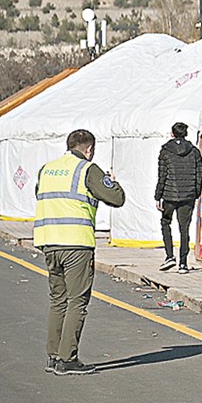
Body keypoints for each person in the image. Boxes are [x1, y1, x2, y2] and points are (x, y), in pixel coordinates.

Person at [35, 128, 126, 376]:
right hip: (76, 243)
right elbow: (116, 198)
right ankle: (68, 358)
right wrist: (112, 180)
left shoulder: (47, 169)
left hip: (49, 242)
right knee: (77, 301)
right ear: (89, 149)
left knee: (57, 300)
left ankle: (53, 356)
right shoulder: (87, 169)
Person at [155, 121, 202, 273]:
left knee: (165, 222)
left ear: (172, 133)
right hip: (188, 195)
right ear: (186, 134)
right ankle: (183, 263)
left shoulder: (165, 151)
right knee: (184, 229)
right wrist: (196, 192)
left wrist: (158, 195)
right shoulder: (194, 151)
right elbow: (199, 174)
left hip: (169, 194)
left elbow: (162, 175)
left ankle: (169, 256)